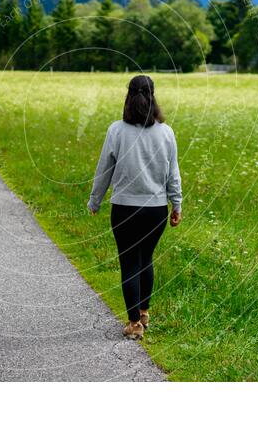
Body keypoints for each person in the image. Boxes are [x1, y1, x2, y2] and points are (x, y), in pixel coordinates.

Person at [87, 75, 182, 340]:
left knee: (129, 262)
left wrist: (95, 200)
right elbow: (173, 173)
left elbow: (104, 169)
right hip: (156, 211)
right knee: (145, 259)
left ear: (128, 97)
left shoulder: (116, 130)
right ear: (153, 96)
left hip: (125, 209)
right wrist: (177, 204)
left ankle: (133, 324)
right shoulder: (166, 132)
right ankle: (144, 313)